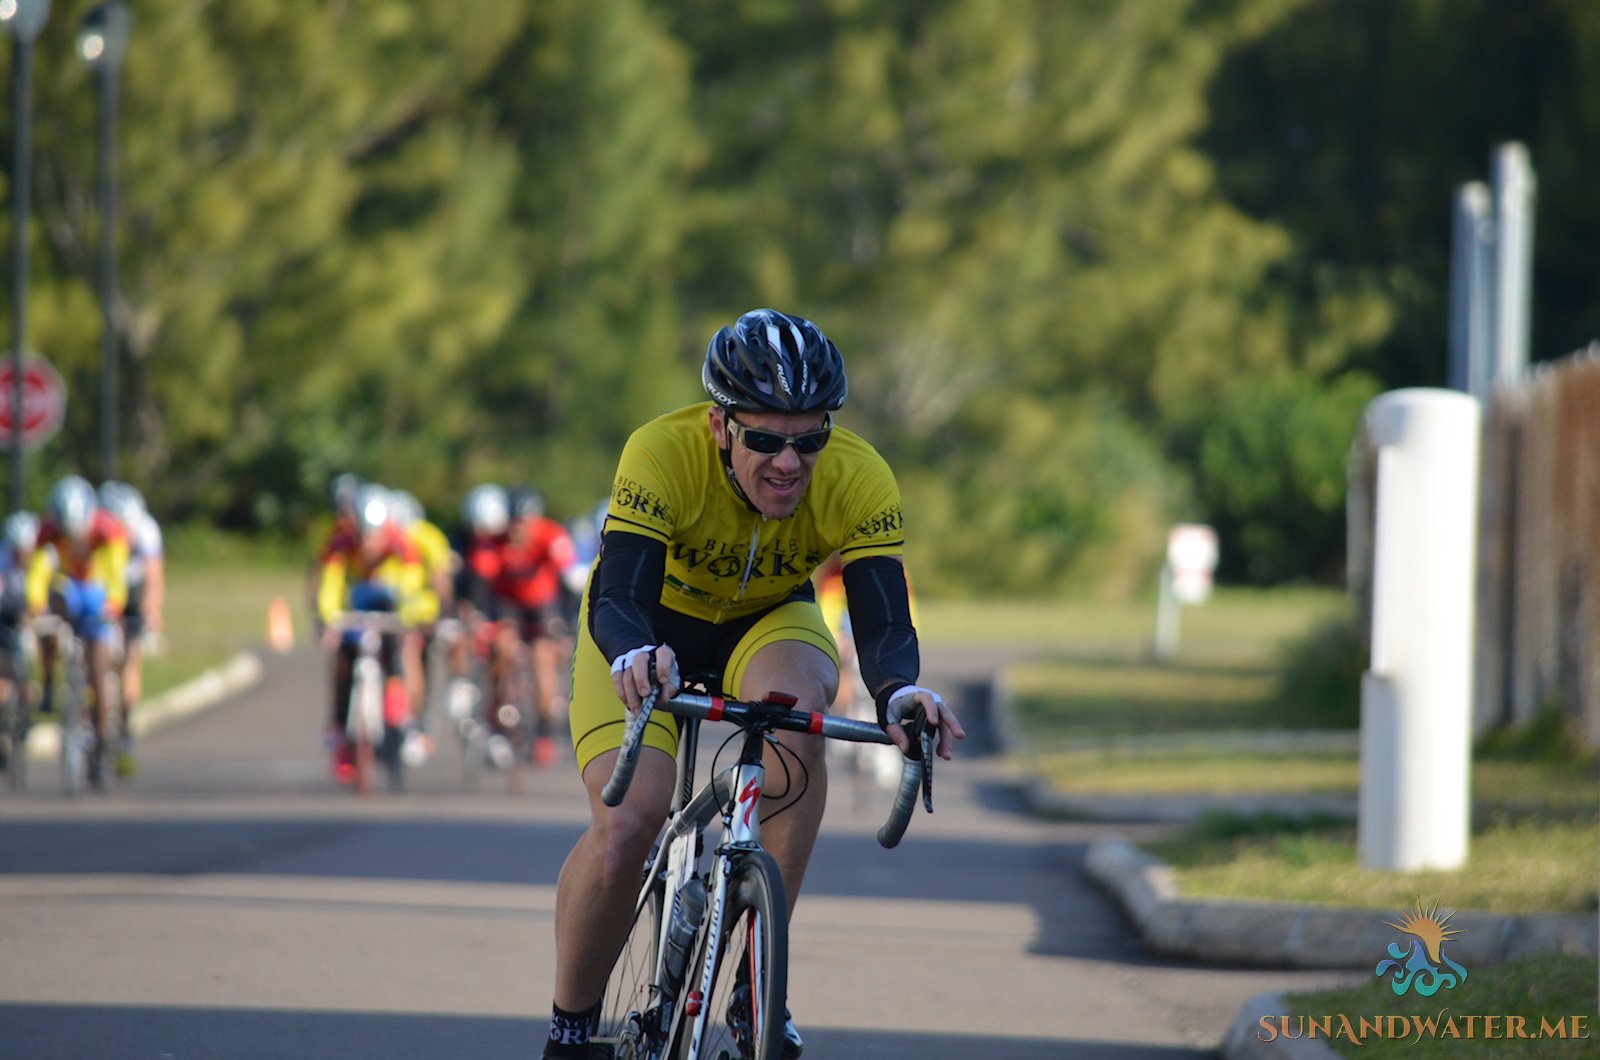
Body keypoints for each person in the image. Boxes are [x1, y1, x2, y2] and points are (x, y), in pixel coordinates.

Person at [542, 308, 964, 1059]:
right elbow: (618, 594)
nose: (788, 462)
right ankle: (570, 1028)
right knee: (627, 827)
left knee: (801, 727)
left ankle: (755, 982)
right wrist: (634, 653)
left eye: (809, 439)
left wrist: (901, 691)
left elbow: (882, 620)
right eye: (764, 439)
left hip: (767, 620)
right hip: (651, 625)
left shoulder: (861, 477)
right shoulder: (660, 451)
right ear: (719, 427)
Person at [315, 484, 423, 784]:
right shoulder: (339, 542)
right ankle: (339, 727)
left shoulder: (400, 542)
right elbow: (330, 584)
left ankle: (396, 698)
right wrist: (328, 619)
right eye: (362, 534)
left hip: (389, 601)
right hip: (355, 603)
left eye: (373, 535)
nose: (367, 543)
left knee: (395, 647)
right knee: (343, 658)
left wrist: (410, 615)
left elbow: (413, 584)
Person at [28, 475, 131, 785]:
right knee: (47, 626)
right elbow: (38, 571)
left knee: (99, 667)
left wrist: (113, 604)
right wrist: (36, 603)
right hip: (66, 590)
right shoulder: (46, 532)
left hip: (96, 593)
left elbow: (116, 575)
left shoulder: (108, 530)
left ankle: (100, 744)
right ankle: (48, 681)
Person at [494, 486, 577, 767]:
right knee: (501, 646)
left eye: (524, 524)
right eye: (514, 524)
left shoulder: (551, 536)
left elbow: (569, 581)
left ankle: (544, 731)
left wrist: (564, 626)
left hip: (544, 606)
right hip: (509, 605)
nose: (518, 531)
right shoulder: (499, 541)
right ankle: (498, 714)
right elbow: (485, 582)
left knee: (543, 659)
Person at [98, 482, 165, 761]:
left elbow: (154, 576)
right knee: (99, 656)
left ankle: (124, 721)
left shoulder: (147, 529)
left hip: (132, 595)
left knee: (129, 660)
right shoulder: (97, 530)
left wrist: (151, 612)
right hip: (103, 592)